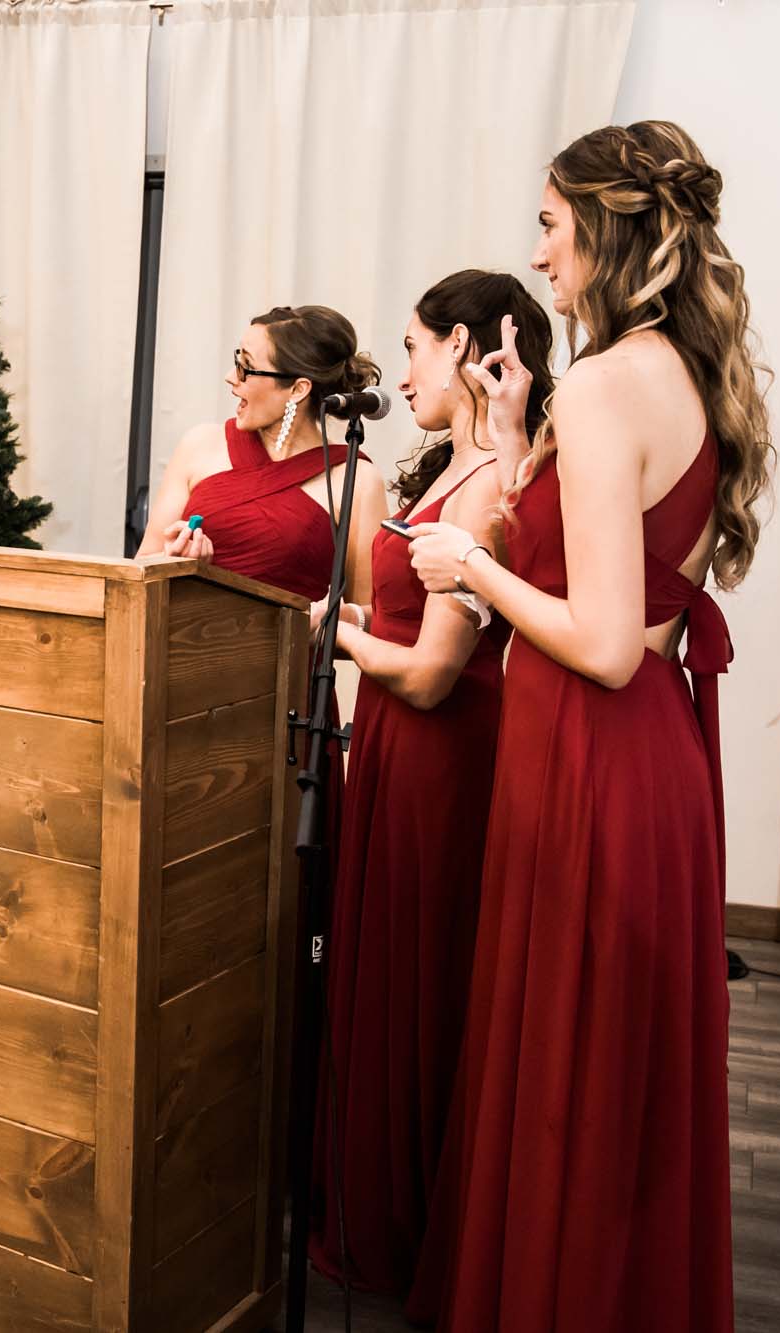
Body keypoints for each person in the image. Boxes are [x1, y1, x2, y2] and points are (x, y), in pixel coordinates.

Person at [404, 121, 772, 1331]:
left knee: (571, 1072)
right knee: (607, 1086)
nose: (537, 253)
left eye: (552, 228)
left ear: (609, 232)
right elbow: (619, 583)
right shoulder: (671, 371)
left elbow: (606, 642)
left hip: (591, 758)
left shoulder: (613, 381)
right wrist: (514, 455)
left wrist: (463, 561)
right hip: (636, 759)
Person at [307, 272, 555, 1305]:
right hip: (398, 750)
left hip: (443, 755)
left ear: (459, 344)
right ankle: (372, 1198)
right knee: (383, 961)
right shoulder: (440, 471)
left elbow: (433, 670)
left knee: (422, 973)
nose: (400, 371)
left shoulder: (494, 482)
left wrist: (334, 633)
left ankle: (407, 1221)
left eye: (410, 348)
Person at [138, 305, 387, 600]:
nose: (232, 377)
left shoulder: (356, 480)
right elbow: (141, 566)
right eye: (236, 360)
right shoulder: (199, 444)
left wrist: (314, 620)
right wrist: (174, 564)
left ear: (298, 389)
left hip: (287, 645)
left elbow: (369, 614)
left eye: (246, 367)